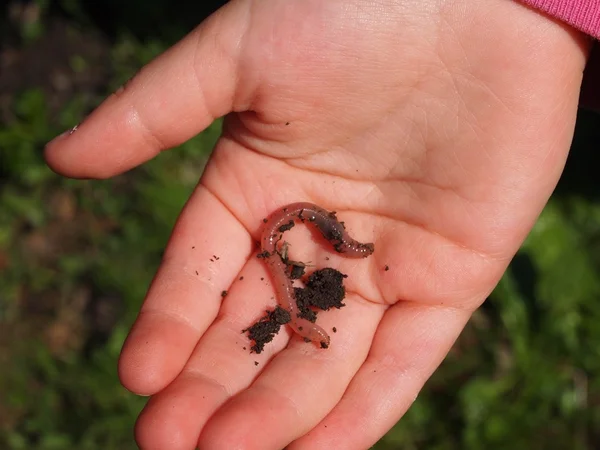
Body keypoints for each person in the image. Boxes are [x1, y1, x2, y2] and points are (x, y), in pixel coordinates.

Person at [44, 1, 598, 449]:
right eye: (308, 329)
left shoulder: (315, 244)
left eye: (308, 329)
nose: (351, 248)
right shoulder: (295, 246)